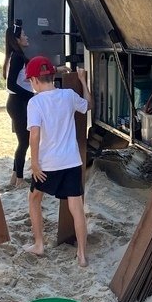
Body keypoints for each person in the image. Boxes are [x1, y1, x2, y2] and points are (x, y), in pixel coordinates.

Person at [23, 56, 92, 267]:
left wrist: (34, 162)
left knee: (34, 200)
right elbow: (88, 105)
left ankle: (39, 244)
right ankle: (81, 254)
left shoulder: (35, 102)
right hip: (71, 162)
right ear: (53, 76)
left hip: (47, 164)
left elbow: (34, 134)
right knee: (77, 207)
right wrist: (82, 81)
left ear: (34, 80)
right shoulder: (69, 95)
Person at [2, 19, 33, 189]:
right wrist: (31, 96)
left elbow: (35, 70)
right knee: (24, 142)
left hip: (16, 103)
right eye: (23, 35)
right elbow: (11, 84)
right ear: (17, 39)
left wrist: (57, 69)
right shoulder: (18, 57)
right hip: (17, 103)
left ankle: (15, 176)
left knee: (23, 140)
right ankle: (20, 179)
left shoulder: (16, 57)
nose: (26, 37)